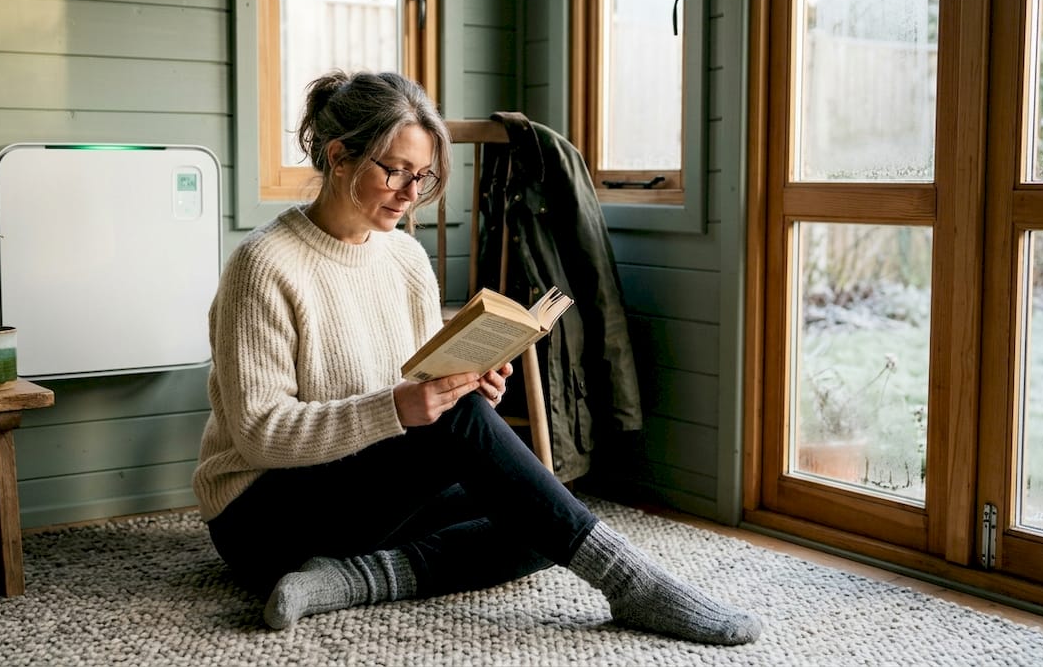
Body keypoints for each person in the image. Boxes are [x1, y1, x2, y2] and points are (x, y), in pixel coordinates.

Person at [191, 69, 762, 646]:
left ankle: (349, 580)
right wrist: (402, 409)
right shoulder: (263, 265)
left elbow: (414, 387)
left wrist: (462, 386)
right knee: (505, 477)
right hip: (262, 520)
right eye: (395, 171)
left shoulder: (406, 259)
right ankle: (630, 581)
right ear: (339, 157)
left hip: (364, 507)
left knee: (536, 514)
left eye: (423, 176)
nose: (412, 194)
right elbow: (262, 432)